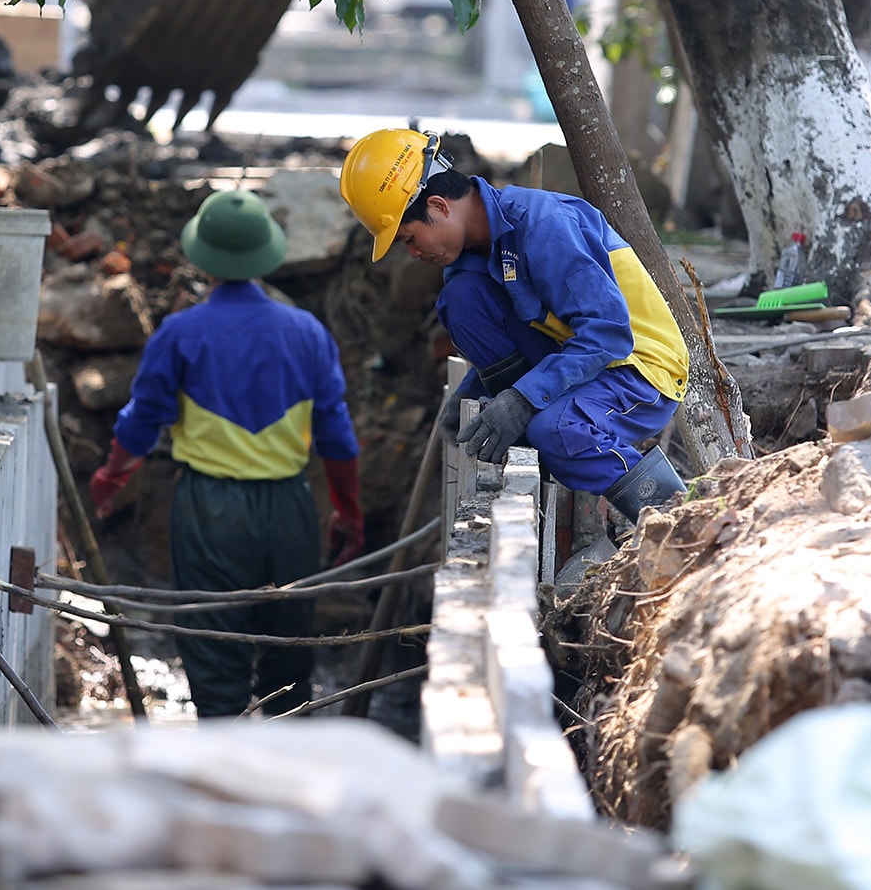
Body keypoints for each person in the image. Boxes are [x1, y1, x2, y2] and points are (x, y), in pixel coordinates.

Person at [89, 190, 364, 719]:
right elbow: (337, 437)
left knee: (216, 667)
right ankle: (286, 787)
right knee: (289, 667)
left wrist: (111, 477)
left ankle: (221, 782)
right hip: (290, 512)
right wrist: (347, 512)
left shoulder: (181, 333)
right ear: (266, 254)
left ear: (204, 258)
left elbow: (141, 424)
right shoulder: (308, 332)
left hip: (210, 513)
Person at [338, 128, 689, 523]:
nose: (414, 253)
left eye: (409, 239)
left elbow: (608, 332)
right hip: (583, 360)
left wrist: (522, 400)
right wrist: (472, 399)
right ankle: (535, 433)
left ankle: (672, 516)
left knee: (553, 430)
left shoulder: (543, 227)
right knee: (461, 298)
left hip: (639, 368)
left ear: (438, 206)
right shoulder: (474, 259)